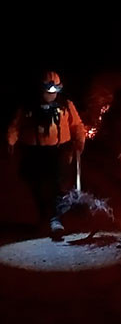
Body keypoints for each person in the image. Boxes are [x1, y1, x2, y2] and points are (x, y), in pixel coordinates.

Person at [7, 71, 86, 236]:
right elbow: (16, 125)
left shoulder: (66, 105)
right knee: (36, 184)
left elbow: (77, 125)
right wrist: (11, 140)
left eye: (54, 92)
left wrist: (79, 142)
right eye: (47, 92)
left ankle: (55, 219)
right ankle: (44, 215)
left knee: (57, 185)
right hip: (34, 152)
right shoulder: (29, 106)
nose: (51, 96)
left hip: (58, 151)